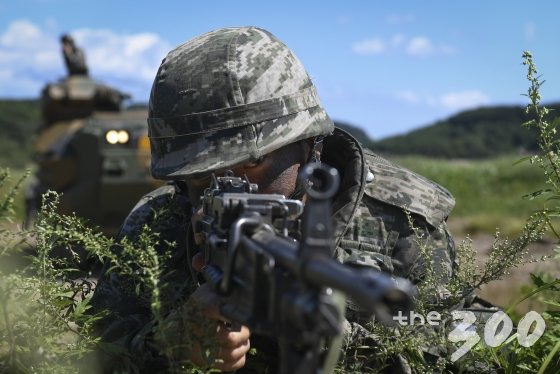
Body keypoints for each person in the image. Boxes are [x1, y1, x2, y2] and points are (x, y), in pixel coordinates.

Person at [91, 26, 457, 373]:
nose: (227, 187)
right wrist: (164, 345)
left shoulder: (405, 222)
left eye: (251, 162)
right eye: (201, 175)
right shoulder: (156, 223)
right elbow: (92, 350)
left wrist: (331, 340)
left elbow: (467, 351)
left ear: (308, 144)